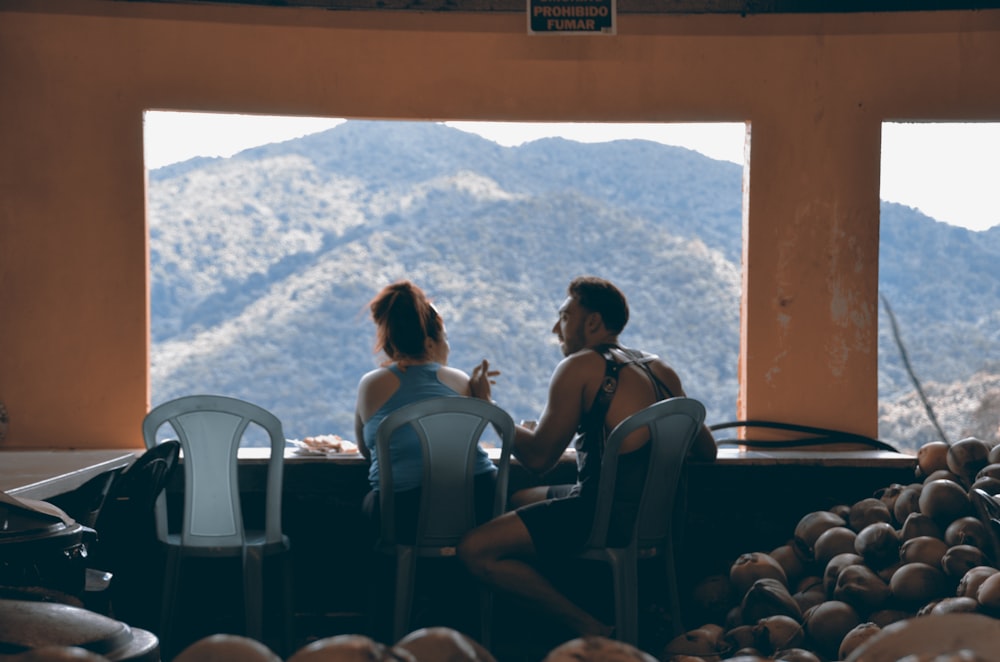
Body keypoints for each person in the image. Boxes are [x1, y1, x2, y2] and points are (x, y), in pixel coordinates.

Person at [457, 276, 717, 638]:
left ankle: (589, 626)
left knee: (475, 550)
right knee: (521, 500)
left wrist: (487, 408)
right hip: (656, 518)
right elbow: (708, 450)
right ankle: (605, 606)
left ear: (592, 321)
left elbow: (538, 458)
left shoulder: (580, 367)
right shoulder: (659, 369)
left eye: (564, 316)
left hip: (601, 517)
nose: (555, 328)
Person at [354, 280, 497, 542]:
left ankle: (391, 580)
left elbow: (368, 450)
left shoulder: (370, 384)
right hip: (480, 503)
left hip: (405, 514)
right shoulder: (461, 380)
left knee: (365, 506)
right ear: (434, 340)